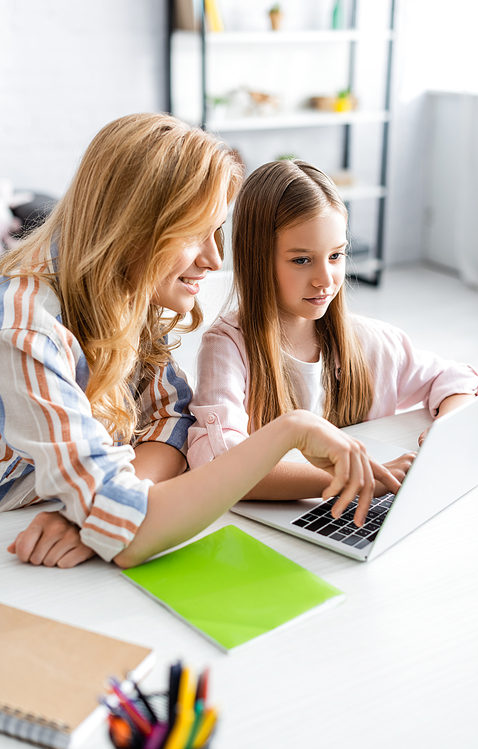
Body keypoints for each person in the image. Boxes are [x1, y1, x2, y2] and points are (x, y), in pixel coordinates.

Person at [1, 117, 401, 570]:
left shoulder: (126, 286)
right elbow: (131, 540)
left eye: (218, 232)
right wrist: (291, 429)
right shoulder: (28, 330)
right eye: (196, 234)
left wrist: (104, 508)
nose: (214, 259)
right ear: (133, 227)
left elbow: (171, 417)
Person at [187, 159, 478, 520]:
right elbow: (218, 465)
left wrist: (442, 434)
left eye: (335, 255)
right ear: (257, 259)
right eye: (301, 260)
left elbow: (456, 379)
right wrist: (351, 478)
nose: (325, 279)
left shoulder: (370, 341)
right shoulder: (228, 348)